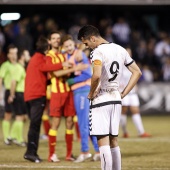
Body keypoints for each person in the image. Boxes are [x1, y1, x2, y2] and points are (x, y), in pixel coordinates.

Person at [78, 25, 142, 170]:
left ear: (92, 38)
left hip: (101, 99)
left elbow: (96, 75)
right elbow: (137, 72)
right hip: (116, 98)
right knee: (114, 140)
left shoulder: (97, 52)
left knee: (103, 141)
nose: (87, 46)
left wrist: (91, 93)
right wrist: (124, 93)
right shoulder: (120, 49)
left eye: (86, 43)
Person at [23, 36, 73, 163]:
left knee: (34, 124)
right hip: (37, 95)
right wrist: (63, 64)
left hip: (32, 95)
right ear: (47, 48)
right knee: (35, 125)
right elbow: (47, 67)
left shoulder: (35, 58)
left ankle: (32, 152)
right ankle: (30, 152)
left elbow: (43, 75)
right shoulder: (40, 58)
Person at [46, 31, 87, 162]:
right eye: (54, 38)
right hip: (57, 93)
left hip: (69, 92)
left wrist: (80, 49)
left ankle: (69, 154)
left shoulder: (64, 54)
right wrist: (73, 68)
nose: (56, 40)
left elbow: (77, 48)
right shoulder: (49, 56)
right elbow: (57, 73)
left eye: (58, 38)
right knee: (56, 124)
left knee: (70, 122)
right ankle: (52, 154)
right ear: (50, 41)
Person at [61, 34, 100, 162]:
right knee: (88, 123)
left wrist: (72, 80)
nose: (69, 48)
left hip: (82, 91)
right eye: (66, 46)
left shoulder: (79, 55)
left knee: (83, 123)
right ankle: (98, 151)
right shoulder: (69, 54)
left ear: (74, 45)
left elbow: (88, 73)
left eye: (70, 45)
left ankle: (85, 151)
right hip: (79, 92)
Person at [119, 48, 151, 138]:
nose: (129, 54)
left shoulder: (132, 62)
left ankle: (141, 132)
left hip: (132, 91)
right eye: (127, 52)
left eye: (130, 52)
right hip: (123, 90)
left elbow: (136, 74)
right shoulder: (119, 63)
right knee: (123, 111)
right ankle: (125, 132)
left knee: (135, 110)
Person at [0, 44, 18, 145]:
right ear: (8, 55)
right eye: (11, 53)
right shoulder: (5, 65)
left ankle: (13, 135)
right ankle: (6, 137)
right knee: (8, 114)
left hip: (18, 92)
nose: (14, 55)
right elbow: (0, 79)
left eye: (15, 53)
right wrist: (0, 93)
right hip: (8, 91)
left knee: (20, 116)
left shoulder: (18, 65)